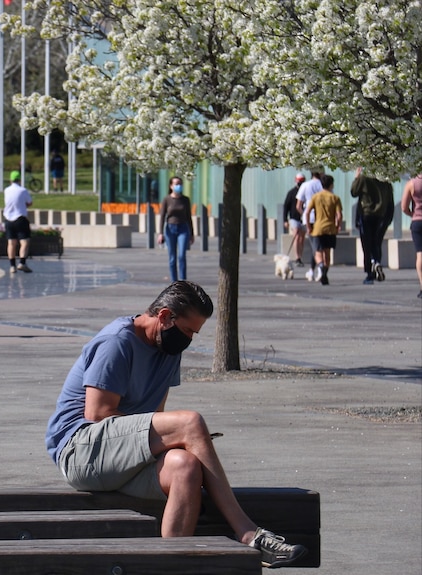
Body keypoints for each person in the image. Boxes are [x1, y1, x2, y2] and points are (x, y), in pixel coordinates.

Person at [45, 281, 307, 568]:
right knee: (190, 422)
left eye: (194, 333)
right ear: (165, 316)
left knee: (185, 467)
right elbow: (97, 413)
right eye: (186, 331)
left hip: (121, 458)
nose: (189, 340)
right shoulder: (117, 342)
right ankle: (248, 533)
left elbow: (156, 416)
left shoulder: (169, 350)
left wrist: (172, 439)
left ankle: (171, 566)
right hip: (82, 451)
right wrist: (175, 433)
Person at [350, 168, 393, 284]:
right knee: (377, 242)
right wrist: (389, 217)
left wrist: (356, 178)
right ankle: (377, 261)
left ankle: (369, 273)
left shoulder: (364, 177)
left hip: (366, 213)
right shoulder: (385, 178)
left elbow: (354, 192)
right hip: (381, 215)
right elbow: (390, 199)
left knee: (367, 245)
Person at [303, 174, 342, 286]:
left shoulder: (316, 197)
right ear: (331, 185)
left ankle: (320, 266)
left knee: (317, 251)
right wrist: (338, 225)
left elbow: (307, 212)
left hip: (318, 228)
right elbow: (339, 215)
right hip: (330, 228)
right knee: (327, 252)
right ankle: (325, 270)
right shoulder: (335, 198)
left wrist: (308, 227)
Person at [157, 176, 194, 282]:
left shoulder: (185, 200)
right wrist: (160, 233)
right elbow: (162, 216)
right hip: (170, 229)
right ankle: (174, 282)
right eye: (176, 184)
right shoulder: (166, 199)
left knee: (182, 255)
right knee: (172, 257)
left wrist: (191, 233)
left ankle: (183, 280)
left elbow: (189, 217)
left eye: (180, 184)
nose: (179, 186)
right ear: (171, 186)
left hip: (183, 228)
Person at [4, 170, 34, 274]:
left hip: (8, 219)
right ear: (19, 179)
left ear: (10, 180)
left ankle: (12, 266)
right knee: (24, 242)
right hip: (20, 218)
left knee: (11, 243)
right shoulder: (23, 190)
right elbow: (29, 202)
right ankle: (22, 262)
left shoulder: (6, 190)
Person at [295, 171, 323, 281]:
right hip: (321, 218)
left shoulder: (305, 185)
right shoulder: (323, 185)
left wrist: (304, 216)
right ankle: (315, 269)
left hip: (309, 219)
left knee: (314, 245)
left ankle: (316, 269)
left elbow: (298, 206)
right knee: (318, 245)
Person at [400, 172, 422, 298]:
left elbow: (404, 207)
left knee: (420, 254)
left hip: (417, 221)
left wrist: (412, 214)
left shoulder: (411, 183)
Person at [282, 173, 307, 266]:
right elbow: (286, 207)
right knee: (296, 236)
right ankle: (297, 257)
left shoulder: (306, 192)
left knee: (302, 238)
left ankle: (300, 255)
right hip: (294, 218)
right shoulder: (291, 193)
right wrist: (285, 220)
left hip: (304, 218)